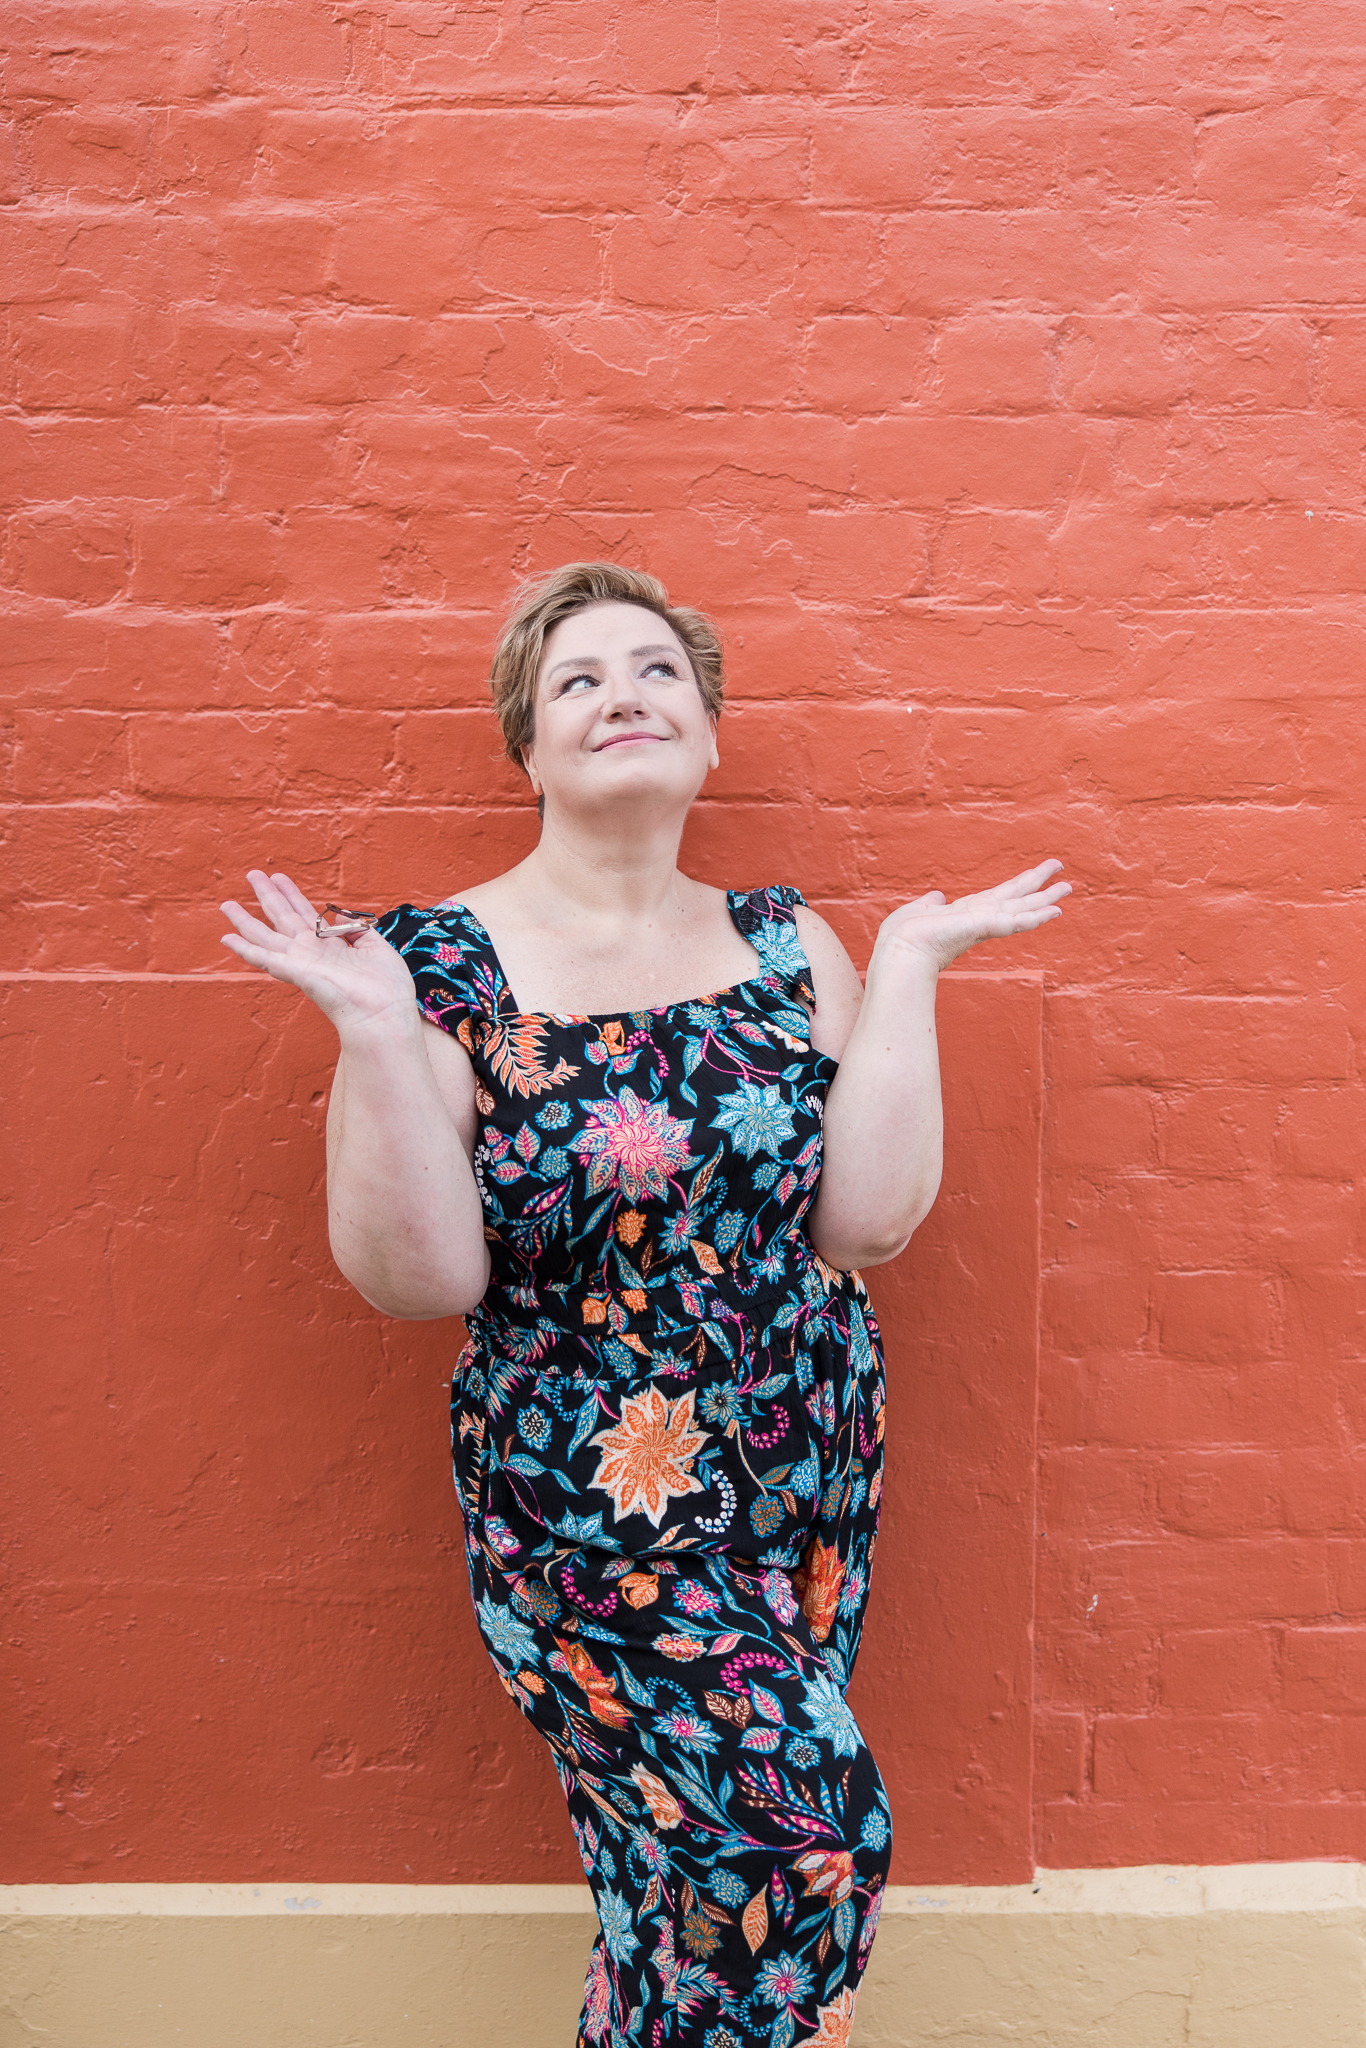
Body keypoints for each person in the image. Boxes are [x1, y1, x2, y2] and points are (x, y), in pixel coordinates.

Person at [219, 561, 1068, 2048]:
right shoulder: (435, 970)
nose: (625, 695)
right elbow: (418, 1281)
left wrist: (914, 969)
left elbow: (864, 1222)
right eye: (578, 680)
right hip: (586, 1491)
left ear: (710, 734)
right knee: (796, 1849)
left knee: (671, 1892)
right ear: (528, 750)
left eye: (659, 671)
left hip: (800, 1454)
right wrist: (368, 1035)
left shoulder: (785, 941)